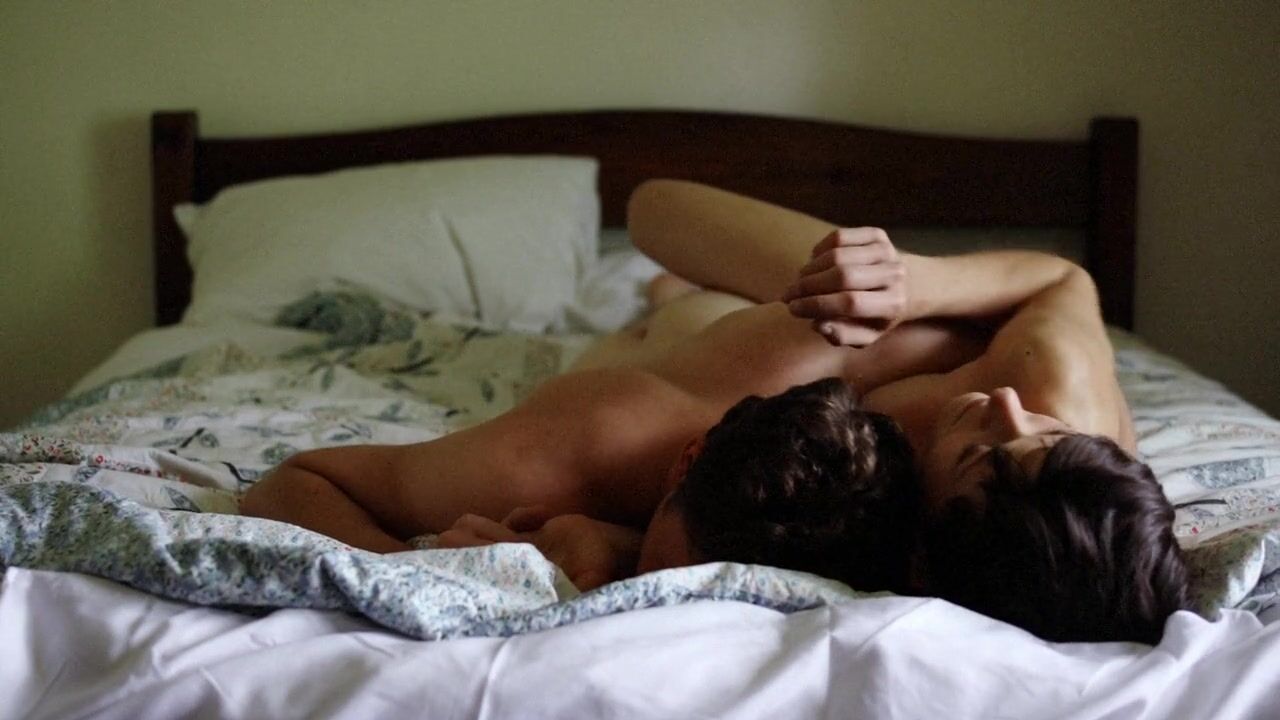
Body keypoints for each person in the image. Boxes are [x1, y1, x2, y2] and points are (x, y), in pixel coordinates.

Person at [244, 179, 1190, 643]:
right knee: (692, 287)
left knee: (684, 327)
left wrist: (613, 549)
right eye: (1038, 437)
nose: (1007, 409)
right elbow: (1065, 280)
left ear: (920, 561)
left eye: (981, 455)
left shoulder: (999, 557)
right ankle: (674, 302)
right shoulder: (1060, 406)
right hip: (792, 329)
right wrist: (914, 282)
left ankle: (674, 307)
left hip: (735, 370)